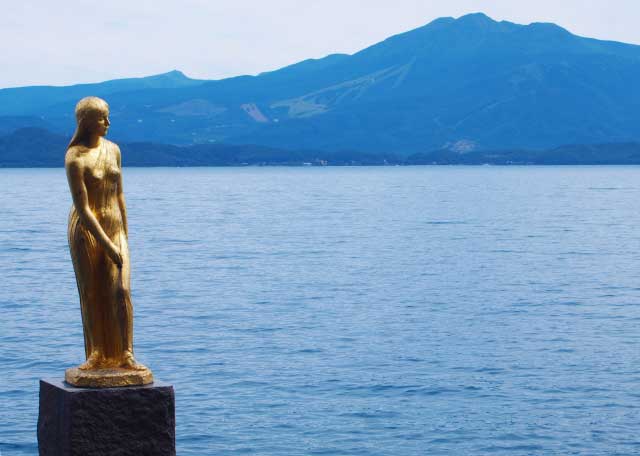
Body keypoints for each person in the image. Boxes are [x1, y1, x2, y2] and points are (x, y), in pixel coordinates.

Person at [65, 96, 146, 371]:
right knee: (92, 292)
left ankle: (126, 353)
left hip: (115, 227)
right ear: (87, 123)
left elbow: (120, 193)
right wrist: (107, 245)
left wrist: (124, 233)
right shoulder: (75, 158)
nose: (108, 123)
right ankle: (97, 352)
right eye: (102, 118)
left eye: (108, 117)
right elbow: (84, 209)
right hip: (86, 231)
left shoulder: (114, 150)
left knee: (121, 289)